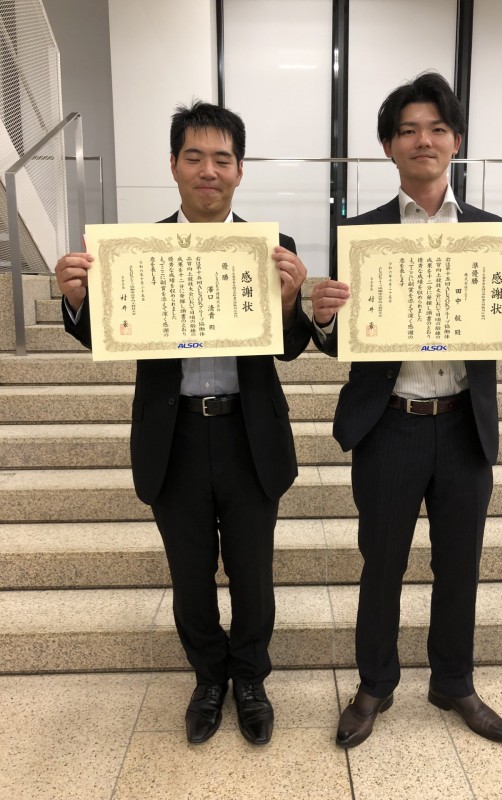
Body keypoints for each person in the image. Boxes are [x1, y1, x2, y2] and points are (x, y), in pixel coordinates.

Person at [311, 73, 502, 748]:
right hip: (388, 423)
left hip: (462, 424)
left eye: (436, 128)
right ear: (388, 146)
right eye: (407, 130)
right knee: (382, 563)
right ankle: (375, 684)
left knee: (460, 565)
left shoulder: (494, 236)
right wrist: (324, 319)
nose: (422, 140)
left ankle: (453, 682)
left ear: (456, 140)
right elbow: (342, 342)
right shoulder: (359, 234)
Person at [56, 101, 312, 746]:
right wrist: (78, 302)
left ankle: (249, 679)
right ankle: (208, 680)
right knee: (190, 576)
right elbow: (107, 336)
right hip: (174, 438)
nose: (208, 171)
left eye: (222, 159)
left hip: (248, 434)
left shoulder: (273, 249)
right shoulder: (134, 253)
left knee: (253, 573)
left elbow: (290, 348)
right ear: (173, 165)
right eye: (194, 157)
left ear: (240, 170)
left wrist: (290, 305)